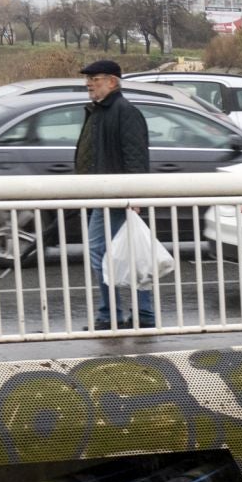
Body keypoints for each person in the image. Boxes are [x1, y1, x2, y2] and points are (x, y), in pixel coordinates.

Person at [75, 58, 156, 329]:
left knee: (105, 252)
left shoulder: (123, 111)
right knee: (128, 255)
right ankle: (134, 315)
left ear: (112, 81)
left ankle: (113, 315)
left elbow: (135, 156)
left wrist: (135, 197)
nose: (89, 84)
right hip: (106, 195)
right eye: (88, 80)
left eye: (94, 80)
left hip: (117, 197)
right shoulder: (102, 110)